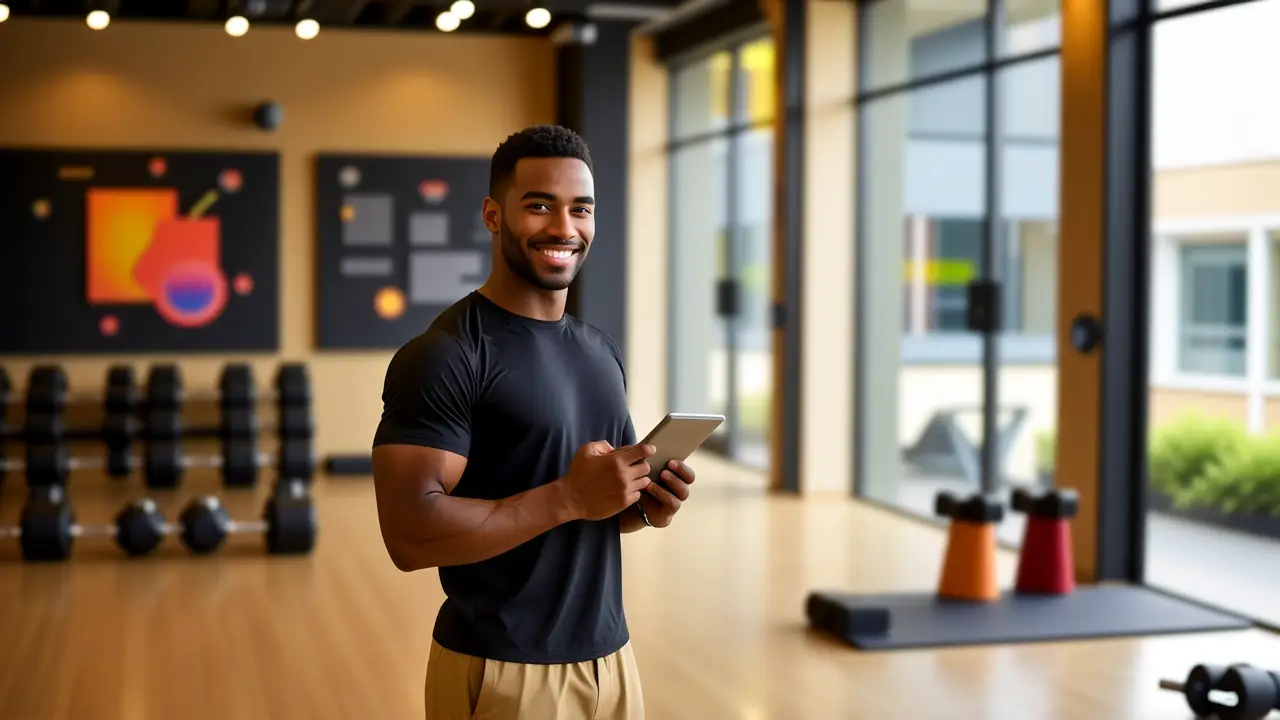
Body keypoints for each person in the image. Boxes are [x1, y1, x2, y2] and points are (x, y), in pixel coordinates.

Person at [371, 124, 698, 720]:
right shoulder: (445, 354)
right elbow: (407, 534)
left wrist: (642, 503)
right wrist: (570, 497)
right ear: (494, 216)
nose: (564, 228)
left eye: (581, 209)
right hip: (505, 668)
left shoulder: (599, 351)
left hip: (612, 659)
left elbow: (593, 508)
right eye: (539, 205)